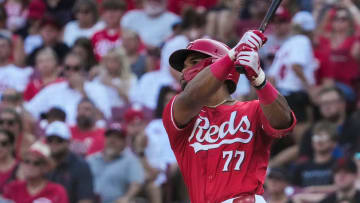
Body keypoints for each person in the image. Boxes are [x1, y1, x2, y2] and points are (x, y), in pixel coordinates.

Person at [162, 30, 296, 202]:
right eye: (184, 67)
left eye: (194, 62)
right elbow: (192, 95)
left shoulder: (254, 109)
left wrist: (260, 80)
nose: (184, 72)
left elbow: (284, 122)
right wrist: (234, 53)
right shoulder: (179, 109)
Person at [87, 122, 145, 203]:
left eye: (118, 138)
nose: (113, 140)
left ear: (125, 143)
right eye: (110, 137)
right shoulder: (91, 160)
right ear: (104, 139)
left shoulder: (130, 161)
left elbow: (136, 184)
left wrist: (127, 197)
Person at [2, 141, 69, 203]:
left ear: (46, 167)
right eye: (27, 161)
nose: (30, 166)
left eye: (36, 163)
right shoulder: (13, 187)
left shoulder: (57, 191)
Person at [46, 121, 95, 203]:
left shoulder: (80, 166)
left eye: (59, 140)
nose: (54, 143)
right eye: (50, 140)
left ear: (69, 141)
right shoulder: (43, 164)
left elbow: (85, 200)